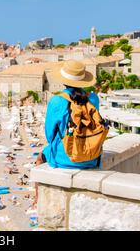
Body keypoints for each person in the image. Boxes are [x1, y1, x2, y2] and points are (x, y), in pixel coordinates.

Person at [34, 60, 104, 205]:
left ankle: (37, 200)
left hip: (64, 159)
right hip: (92, 157)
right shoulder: (93, 99)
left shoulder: (57, 101)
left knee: (40, 157)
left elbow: (49, 135)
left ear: (63, 80)